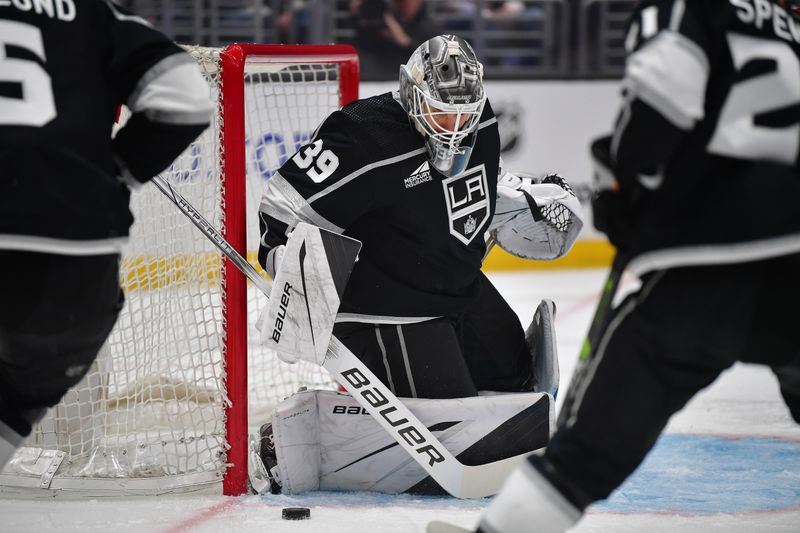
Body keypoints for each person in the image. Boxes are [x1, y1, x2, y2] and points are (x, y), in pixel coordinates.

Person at [448, 1, 800, 531]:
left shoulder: (685, 8)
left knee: (582, 454)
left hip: (707, 264)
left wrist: (626, 185)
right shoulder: (790, 24)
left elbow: (661, 99)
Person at [252, 34, 583, 495]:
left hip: (457, 288)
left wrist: (517, 195)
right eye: (442, 111)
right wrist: (293, 280)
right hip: (382, 307)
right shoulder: (361, 134)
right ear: (412, 94)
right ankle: (283, 447)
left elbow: (477, 184)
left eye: (464, 114)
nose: (454, 125)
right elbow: (282, 209)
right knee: (453, 423)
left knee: (516, 387)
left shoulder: (481, 122)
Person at [0, 0, 212, 471]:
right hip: (78, 257)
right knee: (20, 399)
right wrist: (114, 178)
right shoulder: (91, 14)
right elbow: (186, 97)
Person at [350, 0, 444, 80]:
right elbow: (362, 45)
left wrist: (406, 43)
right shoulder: (383, 22)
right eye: (398, 1)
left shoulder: (430, 28)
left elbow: (437, 63)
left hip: (411, 82)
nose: (402, 5)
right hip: (379, 78)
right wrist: (356, 14)